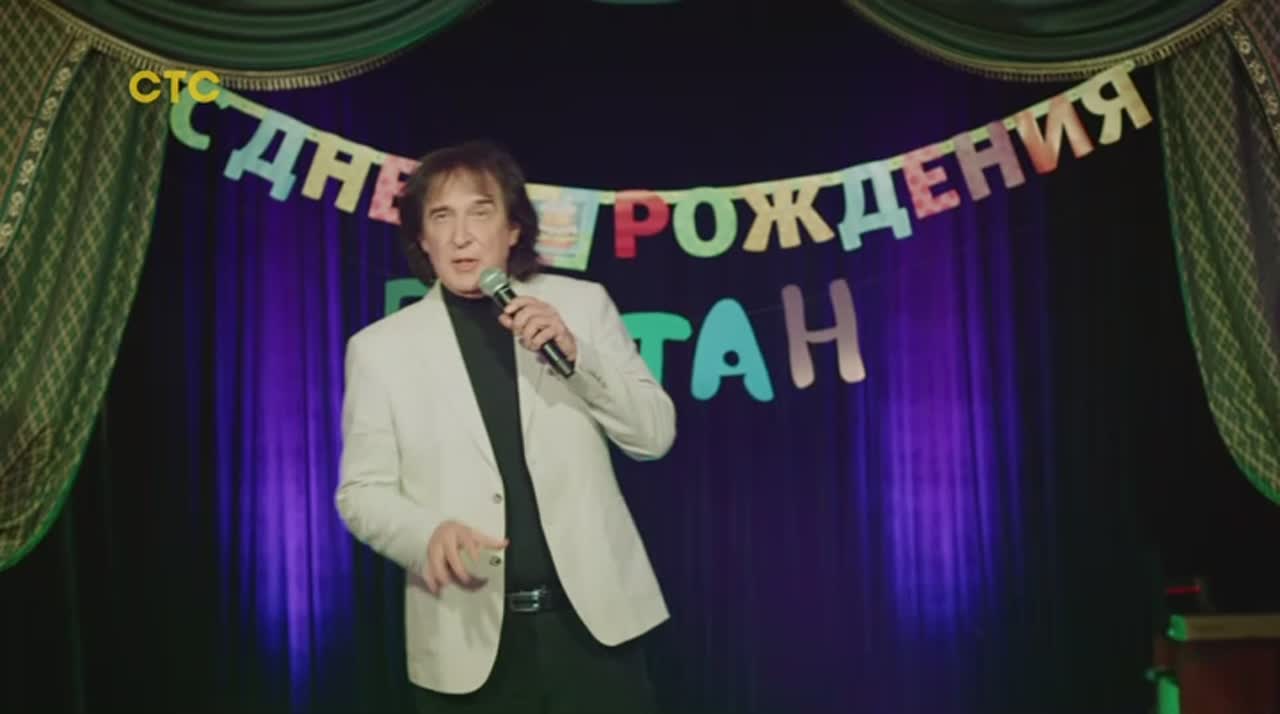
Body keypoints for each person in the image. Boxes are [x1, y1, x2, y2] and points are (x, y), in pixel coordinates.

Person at [335, 139, 676, 713]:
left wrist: (579, 356)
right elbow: (362, 492)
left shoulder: (582, 306)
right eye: (441, 217)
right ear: (422, 238)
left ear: (513, 228)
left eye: (480, 212)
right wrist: (425, 534)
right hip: (467, 640)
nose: (461, 236)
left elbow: (653, 436)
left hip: (596, 632)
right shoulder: (381, 349)